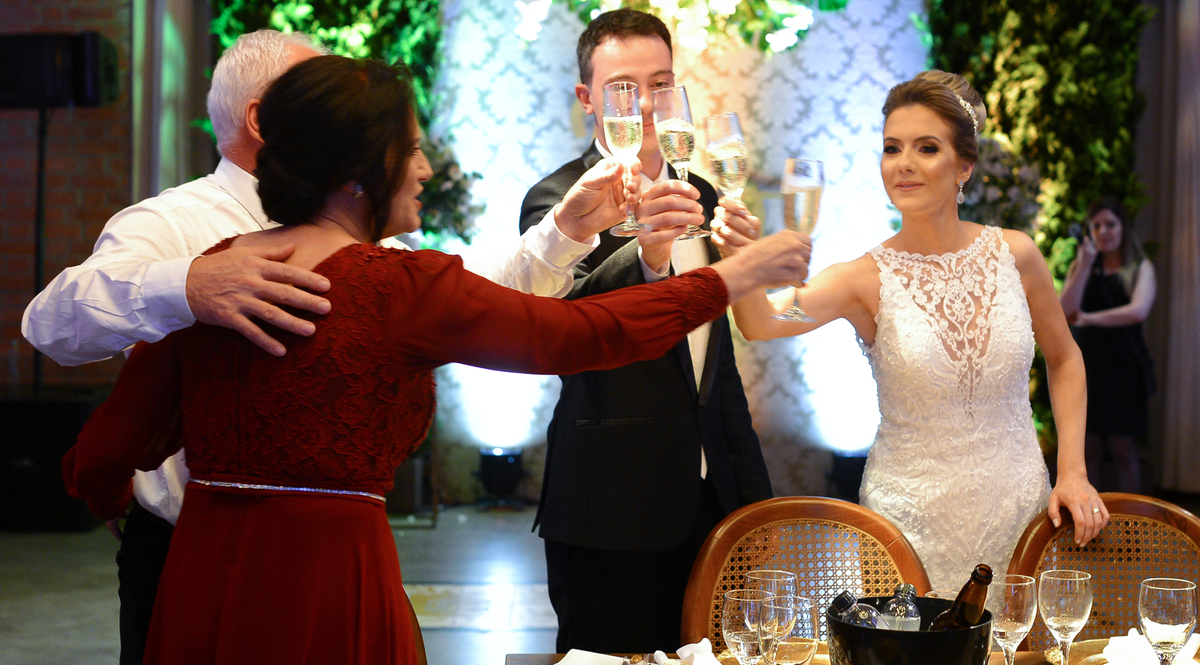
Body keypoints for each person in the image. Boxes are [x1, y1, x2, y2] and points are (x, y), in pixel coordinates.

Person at [62, 54, 810, 665]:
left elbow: (103, 452)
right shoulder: (394, 285)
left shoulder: (219, 271)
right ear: (359, 170)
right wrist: (730, 277)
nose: (424, 169)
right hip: (331, 581)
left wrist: (122, 508)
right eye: (412, 149)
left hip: (202, 579)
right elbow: (577, 335)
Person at [715, 70, 1108, 593]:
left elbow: (1065, 358)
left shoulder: (1017, 255)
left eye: (926, 148)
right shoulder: (862, 278)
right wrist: (738, 258)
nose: (903, 163)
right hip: (906, 528)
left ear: (964, 166)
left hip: (1020, 511)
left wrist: (1073, 471)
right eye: (891, 148)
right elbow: (762, 321)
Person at [520, 9, 803, 653]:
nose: (646, 105)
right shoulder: (557, 201)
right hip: (609, 508)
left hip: (713, 505)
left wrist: (752, 505)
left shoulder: (701, 194)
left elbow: (715, 369)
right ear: (587, 99)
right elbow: (567, 331)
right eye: (623, 89)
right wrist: (647, 255)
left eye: (661, 85)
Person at [1059, 197, 1157, 493]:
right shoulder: (1083, 264)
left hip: (1124, 367)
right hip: (1088, 366)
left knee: (1123, 447)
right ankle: (1092, 517)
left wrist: (1089, 319)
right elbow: (1064, 309)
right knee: (1088, 448)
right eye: (1096, 225)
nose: (1104, 231)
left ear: (1123, 227)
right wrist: (1085, 264)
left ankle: (1129, 518)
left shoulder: (1139, 266)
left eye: (1110, 224)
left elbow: (1138, 310)